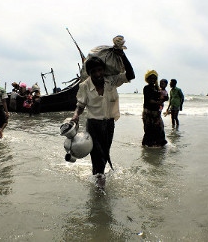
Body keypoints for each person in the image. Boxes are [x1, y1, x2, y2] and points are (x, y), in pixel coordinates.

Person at [70, 53, 135, 190]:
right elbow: (80, 105)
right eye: (94, 72)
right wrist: (75, 116)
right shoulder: (84, 86)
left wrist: (121, 54)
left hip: (109, 125)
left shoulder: (111, 81)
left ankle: (98, 177)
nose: (98, 74)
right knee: (97, 155)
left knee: (104, 153)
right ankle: (100, 186)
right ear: (89, 73)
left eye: (100, 70)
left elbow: (130, 75)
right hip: (93, 125)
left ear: (104, 70)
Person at [142, 71, 167, 147]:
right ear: (147, 79)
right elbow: (149, 100)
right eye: (151, 78)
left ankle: (158, 144)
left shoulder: (157, 88)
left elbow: (163, 97)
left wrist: (164, 99)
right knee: (149, 129)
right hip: (148, 112)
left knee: (159, 128)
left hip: (156, 112)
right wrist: (159, 102)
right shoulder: (146, 88)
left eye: (154, 78)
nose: (153, 80)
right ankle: (148, 145)